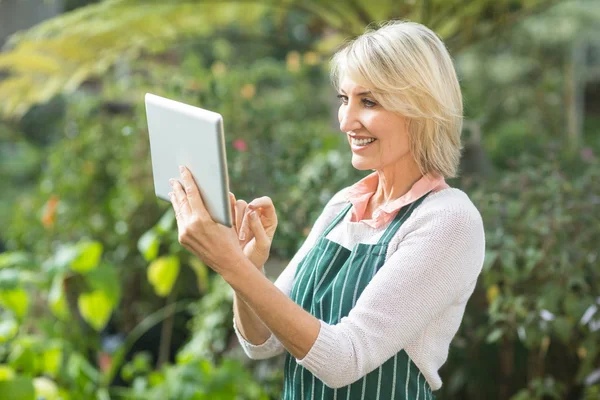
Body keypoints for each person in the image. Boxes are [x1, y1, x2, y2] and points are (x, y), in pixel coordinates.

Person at [167, 20, 485, 400]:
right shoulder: (343, 206)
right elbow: (262, 341)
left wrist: (229, 263)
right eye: (343, 99)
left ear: (420, 109)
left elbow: (344, 359)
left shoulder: (448, 220)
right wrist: (247, 266)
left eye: (368, 102)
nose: (346, 121)